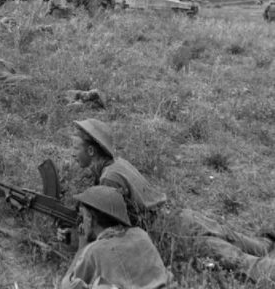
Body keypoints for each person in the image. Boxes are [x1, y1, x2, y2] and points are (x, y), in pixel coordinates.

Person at [71, 118, 275, 283]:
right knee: (241, 240)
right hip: (180, 215)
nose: (72, 153)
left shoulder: (109, 179)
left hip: (173, 232)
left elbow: (111, 230)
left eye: (76, 148)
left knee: (241, 263)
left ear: (91, 151)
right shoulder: (118, 164)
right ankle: (266, 244)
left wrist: (80, 238)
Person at [60, 186, 171, 289]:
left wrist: (81, 248)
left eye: (83, 216)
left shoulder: (94, 251)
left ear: (90, 219)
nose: (82, 221)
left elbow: (66, 286)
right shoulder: (141, 234)